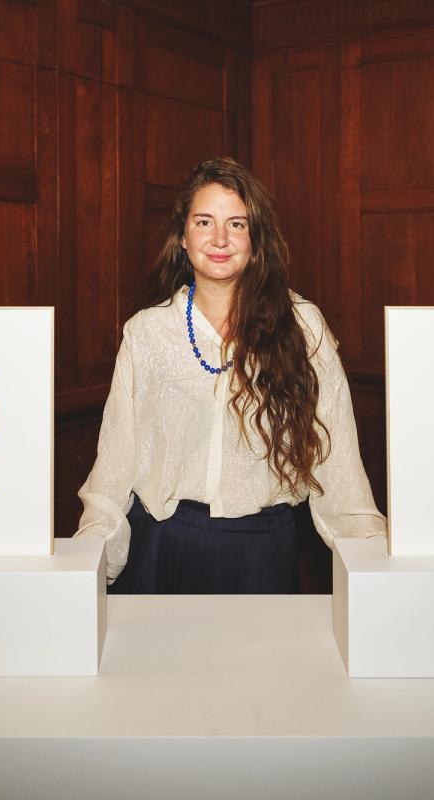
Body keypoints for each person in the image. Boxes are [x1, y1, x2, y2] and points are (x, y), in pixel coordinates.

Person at [73, 157, 386, 593]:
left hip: (263, 553)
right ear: (183, 236)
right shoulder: (147, 332)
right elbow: (115, 462)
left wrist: (373, 567)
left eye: (236, 224)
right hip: (163, 548)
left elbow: (337, 461)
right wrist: (88, 566)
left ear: (256, 240)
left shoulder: (303, 326)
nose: (219, 239)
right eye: (204, 222)